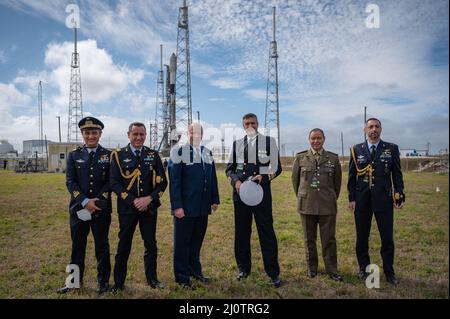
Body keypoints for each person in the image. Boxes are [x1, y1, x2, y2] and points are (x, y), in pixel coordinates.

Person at [225, 113, 282, 288]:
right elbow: (229, 170)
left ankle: (272, 273)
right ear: (243, 126)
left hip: (261, 195)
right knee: (242, 233)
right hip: (241, 196)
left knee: (266, 233)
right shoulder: (237, 144)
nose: (250, 125)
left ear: (258, 124)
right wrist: (237, 181)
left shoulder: (269, 142)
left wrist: (263, 177)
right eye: (247, 123)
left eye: (253, 123)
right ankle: (243, 269)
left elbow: (277, 167)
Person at [110, 122, 168, 293]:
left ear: (146, 135)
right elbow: (114, 183)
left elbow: (163, 183)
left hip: (148, 209)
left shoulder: (152, 155)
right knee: (124, 245)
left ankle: (152, 279)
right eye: (135, 134)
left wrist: (149, 198)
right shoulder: (119, 155)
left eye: (142, 134)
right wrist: (133, 200)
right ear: (128, 135)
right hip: (128, 209)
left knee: (150, 245)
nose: (138, 137)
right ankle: (118, 283)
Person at [348, 118, 405, 285]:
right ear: (365, 129)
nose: (374, 129)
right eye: (370, 126)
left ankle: (389, 272)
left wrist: (399, 194)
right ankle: (363, 269)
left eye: (377, 127)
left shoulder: (391, 148)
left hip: (384, 200)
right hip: (362, 201)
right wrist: (351, 198)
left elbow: (397, 174)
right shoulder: (355, 149)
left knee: (387, 238)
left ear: (381, 129)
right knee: (362, 237)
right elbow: (352, 177)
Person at [58, 116, 112, 294]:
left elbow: (110, 181)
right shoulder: (74, 155)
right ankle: (73, 282)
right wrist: (84, 201)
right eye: (87, 133)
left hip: (100, 209)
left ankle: (103, 283)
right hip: (79, 209)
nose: (91, 136)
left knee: (102, 247)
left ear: (100, 134)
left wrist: (96, 200)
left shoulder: (108, 155)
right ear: (82, 134)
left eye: (94, 132)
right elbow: (70, 181)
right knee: (77, 247)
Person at [168, 123, 220, 289]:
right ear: (187, 133)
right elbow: (175, 181)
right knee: (182, 243)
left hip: (202, 207)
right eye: (192, 132)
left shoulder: (207, 152)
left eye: (198, 132)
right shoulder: (178, 152)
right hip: (185, 207)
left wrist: (215, 199)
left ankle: (195, 271)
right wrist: (177, 206)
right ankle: (182, 277)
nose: (195, 134)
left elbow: (212, 178)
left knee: (197, 241)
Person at [291, 128, 343, 281]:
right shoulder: (301, 158)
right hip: (307, 204)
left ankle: (332, 269)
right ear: (309, 140)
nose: (316, 141)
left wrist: (330, 197)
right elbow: (295, 182)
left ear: (324, 139)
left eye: (319, 138)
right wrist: (304, 197)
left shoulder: (333, 159)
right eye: (313, 138)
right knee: (309, 239)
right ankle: (312, 268)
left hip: (327, 204)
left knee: (329, 239)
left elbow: (337, 184)